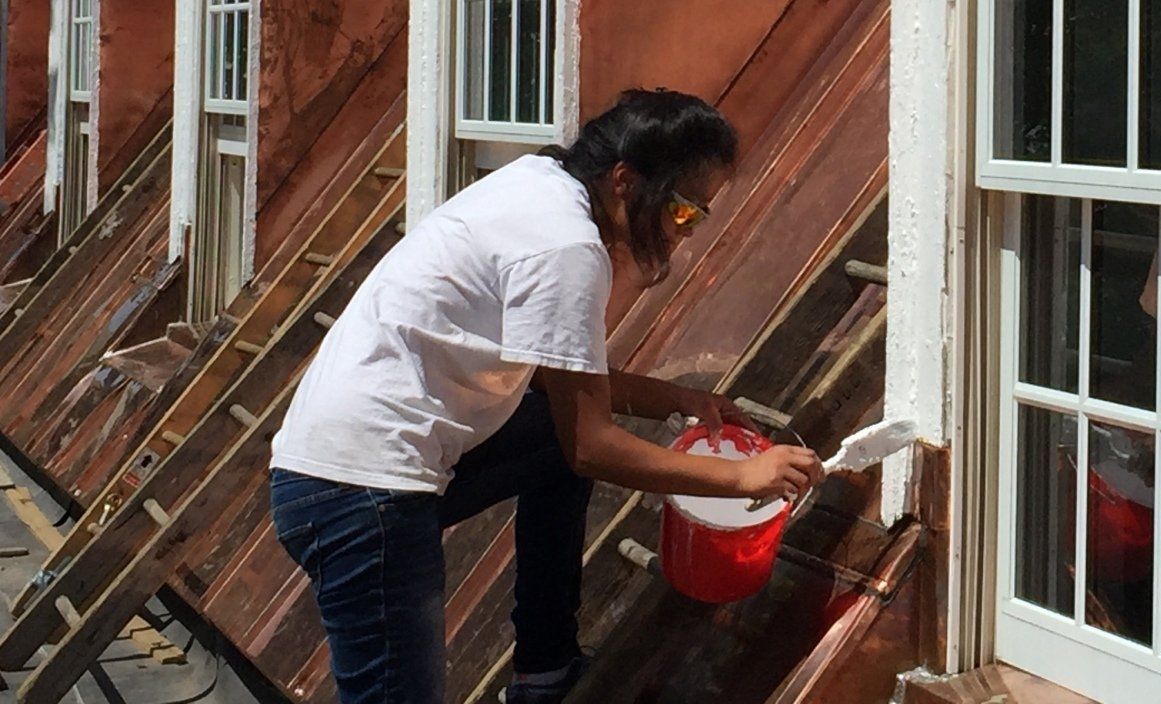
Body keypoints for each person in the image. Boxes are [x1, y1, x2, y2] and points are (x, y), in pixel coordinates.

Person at [268, 89, 822, 704]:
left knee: (547, 439)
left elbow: (550, 382)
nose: (681, 234)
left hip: (345, 469)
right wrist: (742, 478)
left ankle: (544, 669)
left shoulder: (538, 184)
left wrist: (674, 399)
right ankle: (543, 668)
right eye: (684, 212)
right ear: (625, 182)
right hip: (359, 494)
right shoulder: (567, 248)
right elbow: (593, 445)